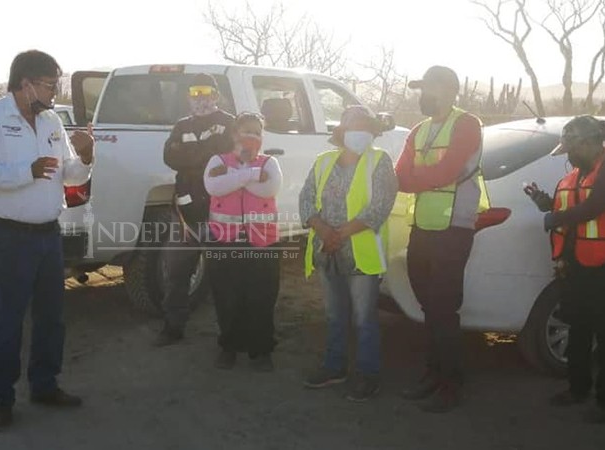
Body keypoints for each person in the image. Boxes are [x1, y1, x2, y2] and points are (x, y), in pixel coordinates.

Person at [0, 50, 94, 431]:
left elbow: (68, 175)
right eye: (51, 84)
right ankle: (2, 398)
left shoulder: (52, 120)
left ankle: (45, 385)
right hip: (11, 236)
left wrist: (85, 158)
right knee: (8, 321)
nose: (55, 92)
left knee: (52, 318)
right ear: (26, 83)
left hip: (48, 236)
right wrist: (27, 171)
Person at [394, 66, 488, 413]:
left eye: (429, 88)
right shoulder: (418, 130)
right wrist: (422, 179)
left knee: (443, 308)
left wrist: (418, 178)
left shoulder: (467, 123)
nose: (423, 94)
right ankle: (433, 374)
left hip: (454, 228)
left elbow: (448, 171)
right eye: (421, 89)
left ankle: (451, 384)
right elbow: (398, 176)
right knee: (429, 307)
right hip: (423, 226)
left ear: (450, 90)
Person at [299, 106, 398, 402]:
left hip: (360, 254)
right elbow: (306, 199)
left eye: (366, 125)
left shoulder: (380, 161)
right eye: (355, 124)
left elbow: (380, 205)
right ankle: (334, 367)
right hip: (326, 250)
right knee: (334, 315)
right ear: (342, 129)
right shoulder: (323, 161)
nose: (361, 130)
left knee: (364, 318)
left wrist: (337, 234)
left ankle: (368, 374)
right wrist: (323, 231)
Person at [524, 115, 605, 424]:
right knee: (579, 328)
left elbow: (595, 207)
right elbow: (570, 211)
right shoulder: (574, 176)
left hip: (602, 268)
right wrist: (546, 204)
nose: (568, 156)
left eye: (572, 149)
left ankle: (603, 401)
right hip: (575, 265)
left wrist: (555, 219)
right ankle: (577, 388)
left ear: (588, 144)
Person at [157, 73, 235, 346]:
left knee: (223, 278)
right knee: (177, 274)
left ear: (216, 95)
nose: (200, 99)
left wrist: (189, 157)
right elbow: (170, 157)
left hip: (219, 212)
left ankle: (229, 337)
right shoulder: (181, 126)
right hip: (185, 214)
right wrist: (204, 155)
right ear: (188, 97)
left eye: (205, 93)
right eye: (195, 94)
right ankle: (172, 328)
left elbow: (225, 158)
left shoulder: (229, 123)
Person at [203, 112, 283, 371]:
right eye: (246, 130)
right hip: (225, 242)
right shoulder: (217, 160)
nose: (252, 136)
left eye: (257, 132)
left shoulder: (270, 162)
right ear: (234, 134)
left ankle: (261, 351)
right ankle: (229, 347)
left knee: (261, 297)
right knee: (227, 296)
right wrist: (249, 174)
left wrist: (236, 175)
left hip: (263, 243)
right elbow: (214, 187)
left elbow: (268, 189)